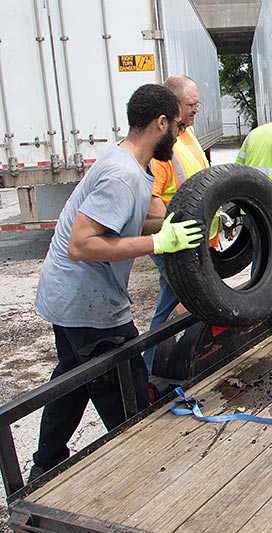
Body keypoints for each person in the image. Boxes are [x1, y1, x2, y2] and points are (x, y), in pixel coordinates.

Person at [29, 84, 203, 480]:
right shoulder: (122, 174)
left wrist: (168, 223)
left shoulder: (129, 164)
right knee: (125, 390)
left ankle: (46, 463)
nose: (179, 134)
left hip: (69, 297)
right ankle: (145, 480)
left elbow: (121, 220)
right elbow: (82, 243)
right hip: (88, 303)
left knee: (73, 380)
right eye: (176, 125)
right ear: (161, 122)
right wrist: (157, 241)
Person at [144, 75, 211, 374]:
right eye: (190, 104)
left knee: (172, 302)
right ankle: (150, 370)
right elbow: (152, 199)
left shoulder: (187, 134)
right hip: (176, 242)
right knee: (179, 303)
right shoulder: (163, 147)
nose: (196, 108)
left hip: (194, 240)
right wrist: (175, 233)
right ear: (172, 106)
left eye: (198, 103)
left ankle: (153, 367)